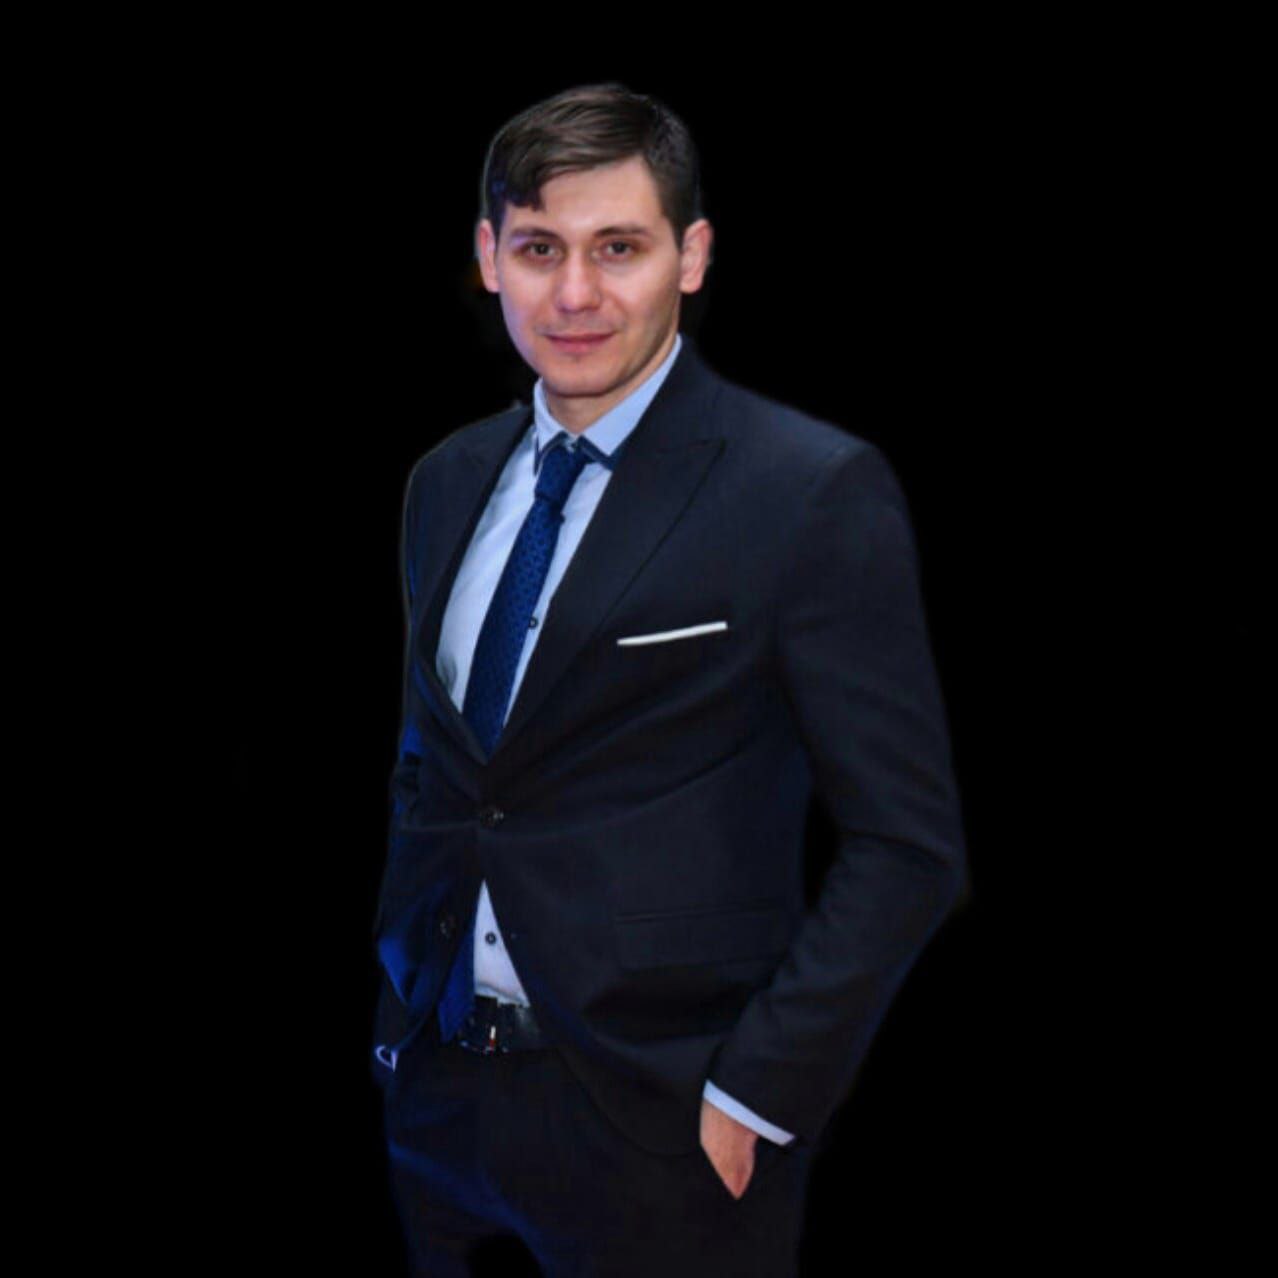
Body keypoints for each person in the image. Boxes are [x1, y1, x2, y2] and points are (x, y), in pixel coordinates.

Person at [370, 81, 968, 1277]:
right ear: (488, 257)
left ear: (690, 257)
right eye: (540, 248)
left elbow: (907, 845)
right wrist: (399, 1023)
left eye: (619, 248)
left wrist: (756, 1093)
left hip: (661, 1132)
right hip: (438, 1108)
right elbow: (447, 773)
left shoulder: (807, 493)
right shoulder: (447, 481)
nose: (575, 294)